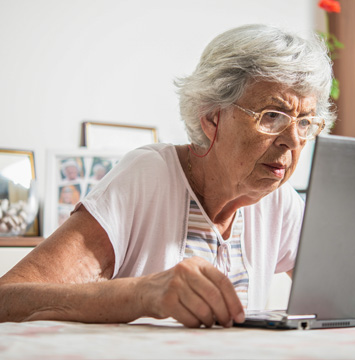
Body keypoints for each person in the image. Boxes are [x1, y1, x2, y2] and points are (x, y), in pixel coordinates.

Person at [0, 24, 334, 328]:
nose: (292, 140)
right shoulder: (148, 178)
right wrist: (141, 295)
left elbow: (343, 295)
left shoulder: (280, 202)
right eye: (272, 115)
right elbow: (7, 299)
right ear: (211, 117)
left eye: (305, 122)